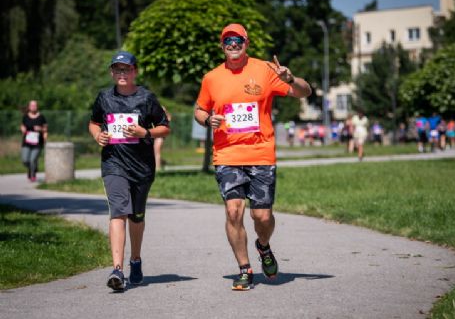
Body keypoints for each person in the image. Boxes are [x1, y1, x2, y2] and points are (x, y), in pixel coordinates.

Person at [194, 23, 311, 291]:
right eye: (227, 41)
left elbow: (306, 92)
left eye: (237, 40)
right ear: (222, 46)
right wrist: (207, 119)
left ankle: (263, 246)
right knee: (234, 211)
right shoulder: (211, 78)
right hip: (227, 154)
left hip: (261, 154)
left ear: (246, 43)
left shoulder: (266, 70)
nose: (232, 45)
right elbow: (199, 109)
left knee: (262, 217)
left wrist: (291, 79)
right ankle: (245, 269)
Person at [88, 51, 170, 291]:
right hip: (114, 163)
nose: (122, 73)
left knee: (136, 217)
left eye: (126, 69)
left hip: (142, 167)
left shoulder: (146, 98)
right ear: (112, 73)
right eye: (117, 69)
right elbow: (93, 122)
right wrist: (98, 135)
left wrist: (145, 133)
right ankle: (117, 269)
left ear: (135, 71)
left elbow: (165, 128)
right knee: (118, 212)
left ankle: (135, 259)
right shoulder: (104, 98)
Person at [20, 100, 48, 182]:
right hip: (27, 142)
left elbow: (45, 129)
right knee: (25, 160)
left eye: (35, 105)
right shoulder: (25, 116)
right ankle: (32, 168)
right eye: (32, 105)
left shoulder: (41, 117)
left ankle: (33, 174)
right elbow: (22, 126)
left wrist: (40, 129)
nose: (33, 107)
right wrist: (23, 129)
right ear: (29, 107)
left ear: (37, 106)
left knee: (33, 160)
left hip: (37, 143)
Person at [153, 106, 172, 171]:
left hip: (159, 133)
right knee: (152, 151)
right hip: (151, 133)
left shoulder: (161, 108)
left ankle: (157, 169)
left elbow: (169, 118)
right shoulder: (147, 107)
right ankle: (163, 162)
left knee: (157, 150)